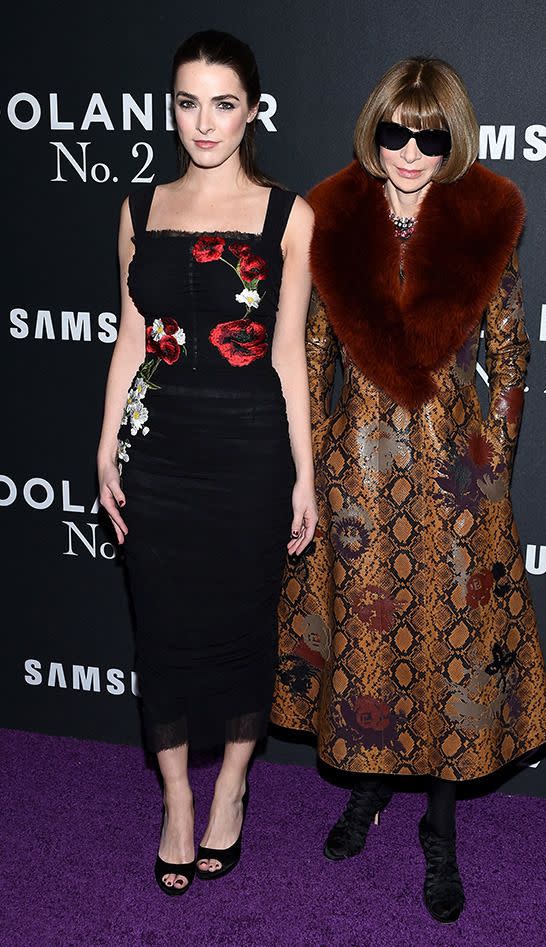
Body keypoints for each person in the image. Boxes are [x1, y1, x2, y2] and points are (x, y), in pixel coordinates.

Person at [272, 57, 546, 923]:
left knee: (446, 646)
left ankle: (441, 831)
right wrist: (309, 466)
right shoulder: (332, 218)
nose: (408, 150)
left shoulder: (483, 223)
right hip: (353, 470)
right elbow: (313, 353)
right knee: (365, 641)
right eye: (394, 131)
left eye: (428, 135)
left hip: (452, 476)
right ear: (375, 129)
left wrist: (493, 467)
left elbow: (511, 355)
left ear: (450, 138)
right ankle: (367, 790)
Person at [97, 29, 316, 895]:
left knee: (240, 630)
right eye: (188, 102)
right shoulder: (137, 207)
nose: (204, 121)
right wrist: (104, 445)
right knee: (163, 630)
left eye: (223, 103)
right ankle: (175, 803)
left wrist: (304, 472)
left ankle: (230, 785)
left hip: (250, 449)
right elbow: (127, 339)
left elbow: (290, 353)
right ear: (172, 107)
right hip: (157, 450)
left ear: (252, 110)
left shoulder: (285, 215)